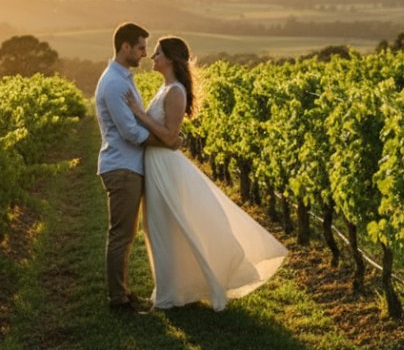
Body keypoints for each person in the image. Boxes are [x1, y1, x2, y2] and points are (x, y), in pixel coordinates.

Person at [126, 36, 287, 311]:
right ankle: (172, 290)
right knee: (159, 228)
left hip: (165, 165)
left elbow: (169, 136)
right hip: (156, 164)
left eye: (158, 54)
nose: (153, 58)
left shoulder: (175, 91)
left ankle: (172, 294)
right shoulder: (165, 88)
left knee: (169, 227)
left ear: (171, 60)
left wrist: (139, 115)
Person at [94, 22, 170, 313]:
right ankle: (117, 299)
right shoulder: (114, 83)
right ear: (125, 47)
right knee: (121, 234)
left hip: (127, 165)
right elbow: (131, 132)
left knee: (125, 234)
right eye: (140, 48)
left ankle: (123, 292)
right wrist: (166, 141)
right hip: (122, 166)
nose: (144, 54)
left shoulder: (121, 77)